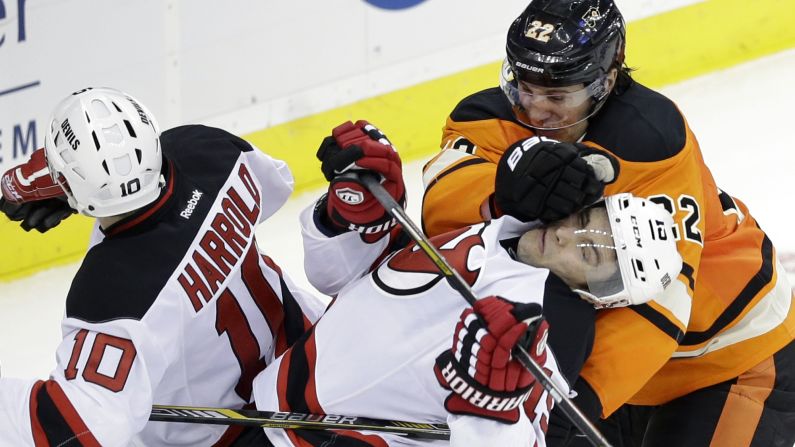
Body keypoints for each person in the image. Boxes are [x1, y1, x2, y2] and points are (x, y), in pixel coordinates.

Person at [420, 1, 795, 445]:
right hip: (618, 363)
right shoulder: (487, 118)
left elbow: (662, 301)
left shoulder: (651, 143)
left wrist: (577, 400)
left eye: (558, 96)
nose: (537, 112)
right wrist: (498, 193)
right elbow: (437, 208)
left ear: (606, 82)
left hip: (729, 356)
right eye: (525, 87)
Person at [250, 120, 683, 446]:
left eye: (588, 253)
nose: (567, 235)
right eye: (586, 221)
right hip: (260, 397)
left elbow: (522, 439)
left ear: (598, 293)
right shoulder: (506, 226)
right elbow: (342, 280)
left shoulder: (550, 325)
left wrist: (493, 408)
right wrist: (352, 217)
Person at [0, 87, 330, 446]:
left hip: (239, 435)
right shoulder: (208, 150)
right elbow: (278, 184)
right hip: (313, 353)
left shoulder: (114, 291)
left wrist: (83, 187)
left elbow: (75, 429)